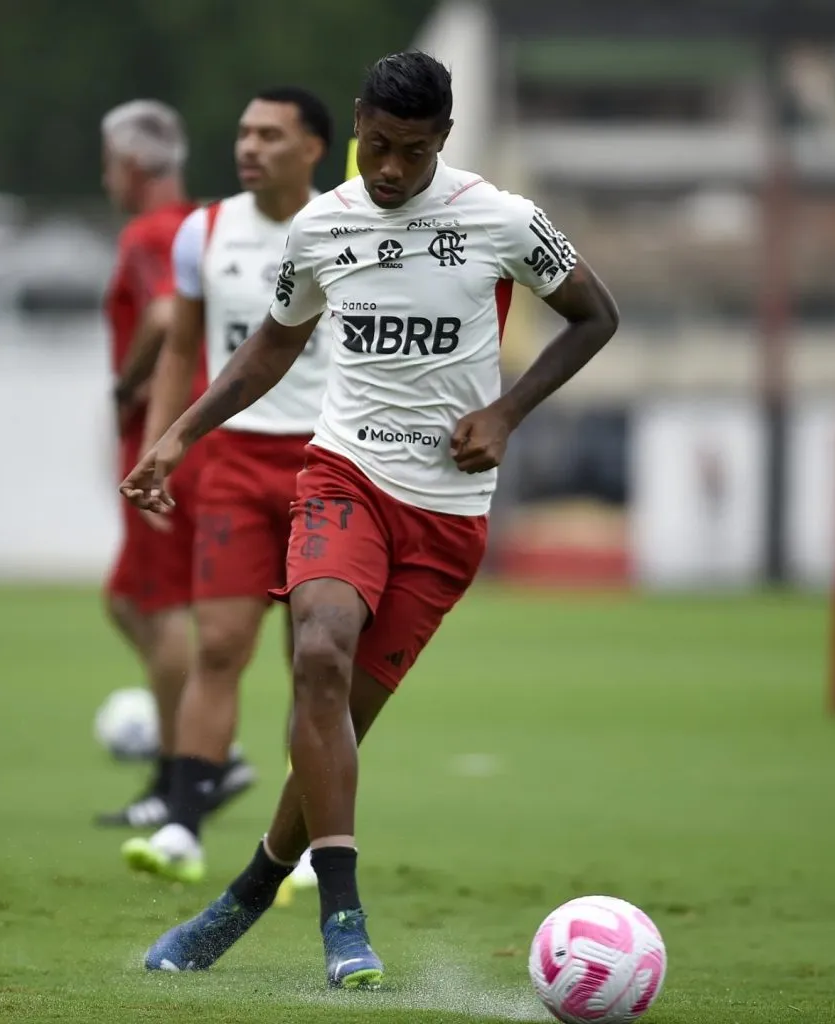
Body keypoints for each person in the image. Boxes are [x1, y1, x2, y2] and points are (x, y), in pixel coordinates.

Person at [120, 51, 619, 989]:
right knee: (317, 653)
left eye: (411, 152)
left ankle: (246, 892)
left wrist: (507, 412)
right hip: (342, 473)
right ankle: (343, 919)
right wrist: (179, 436)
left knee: (341, 719)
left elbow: (596, 315)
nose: (388, 170)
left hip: (447, 514)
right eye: (376, 146)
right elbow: (270, 346)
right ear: (356, 124)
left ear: (445, 139)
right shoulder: (320, 227)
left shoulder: (502, 220)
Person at [120, 87, 333, 887]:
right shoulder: (203, 232)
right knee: (218, 646)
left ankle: (308, 839)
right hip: (236, 465)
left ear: (312, 147)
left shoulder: (346, 227)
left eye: (270, 135)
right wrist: (159, 446)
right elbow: (180, 348)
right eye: (243, 131)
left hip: (328, 463)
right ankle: (182, 822)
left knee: (316, 660)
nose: (249, 147)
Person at [98, 99, 252, 829]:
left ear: (130, 166)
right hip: (205, 431)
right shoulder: (209, 225)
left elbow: (162, 316)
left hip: (166, 436)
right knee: (129, 599)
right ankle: (212, 750)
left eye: (108, 165)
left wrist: (125, 387)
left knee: (159, 611)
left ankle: (184, 771)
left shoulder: (151, 233)